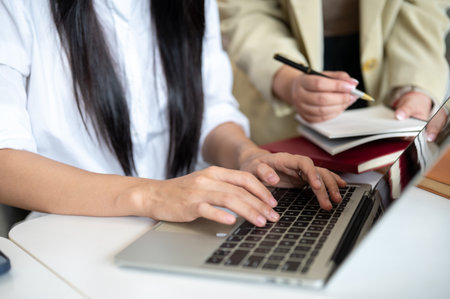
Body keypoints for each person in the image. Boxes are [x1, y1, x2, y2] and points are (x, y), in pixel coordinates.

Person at [0, 0, 347, 228]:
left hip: (189, 225)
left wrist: (249, 156)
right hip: (70, 236)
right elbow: (5, 162)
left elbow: (210, 111)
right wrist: (154, 195)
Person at [219, 0, 450, 144]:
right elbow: (245, 11)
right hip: (275, 79)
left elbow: (424, 8)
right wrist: (288, 82)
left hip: (388, 65)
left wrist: (415, 87)